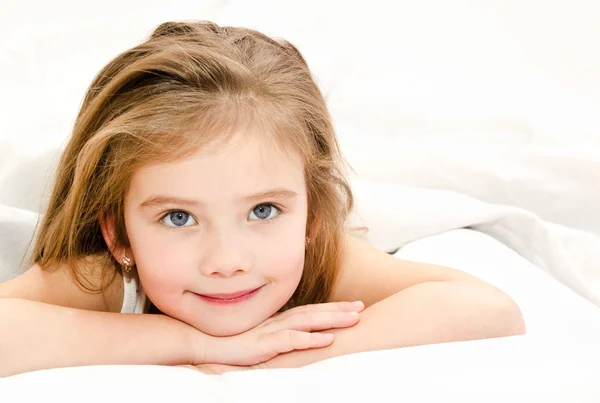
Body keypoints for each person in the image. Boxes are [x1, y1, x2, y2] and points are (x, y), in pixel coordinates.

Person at [0, 20, 525, 377]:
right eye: (179, 217)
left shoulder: (324, 258)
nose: (227, 262)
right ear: (119, 234)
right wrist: (201, 347)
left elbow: (487, 310)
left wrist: (276, 359)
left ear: (312, 218)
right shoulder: (107, 275)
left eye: (263, 211)